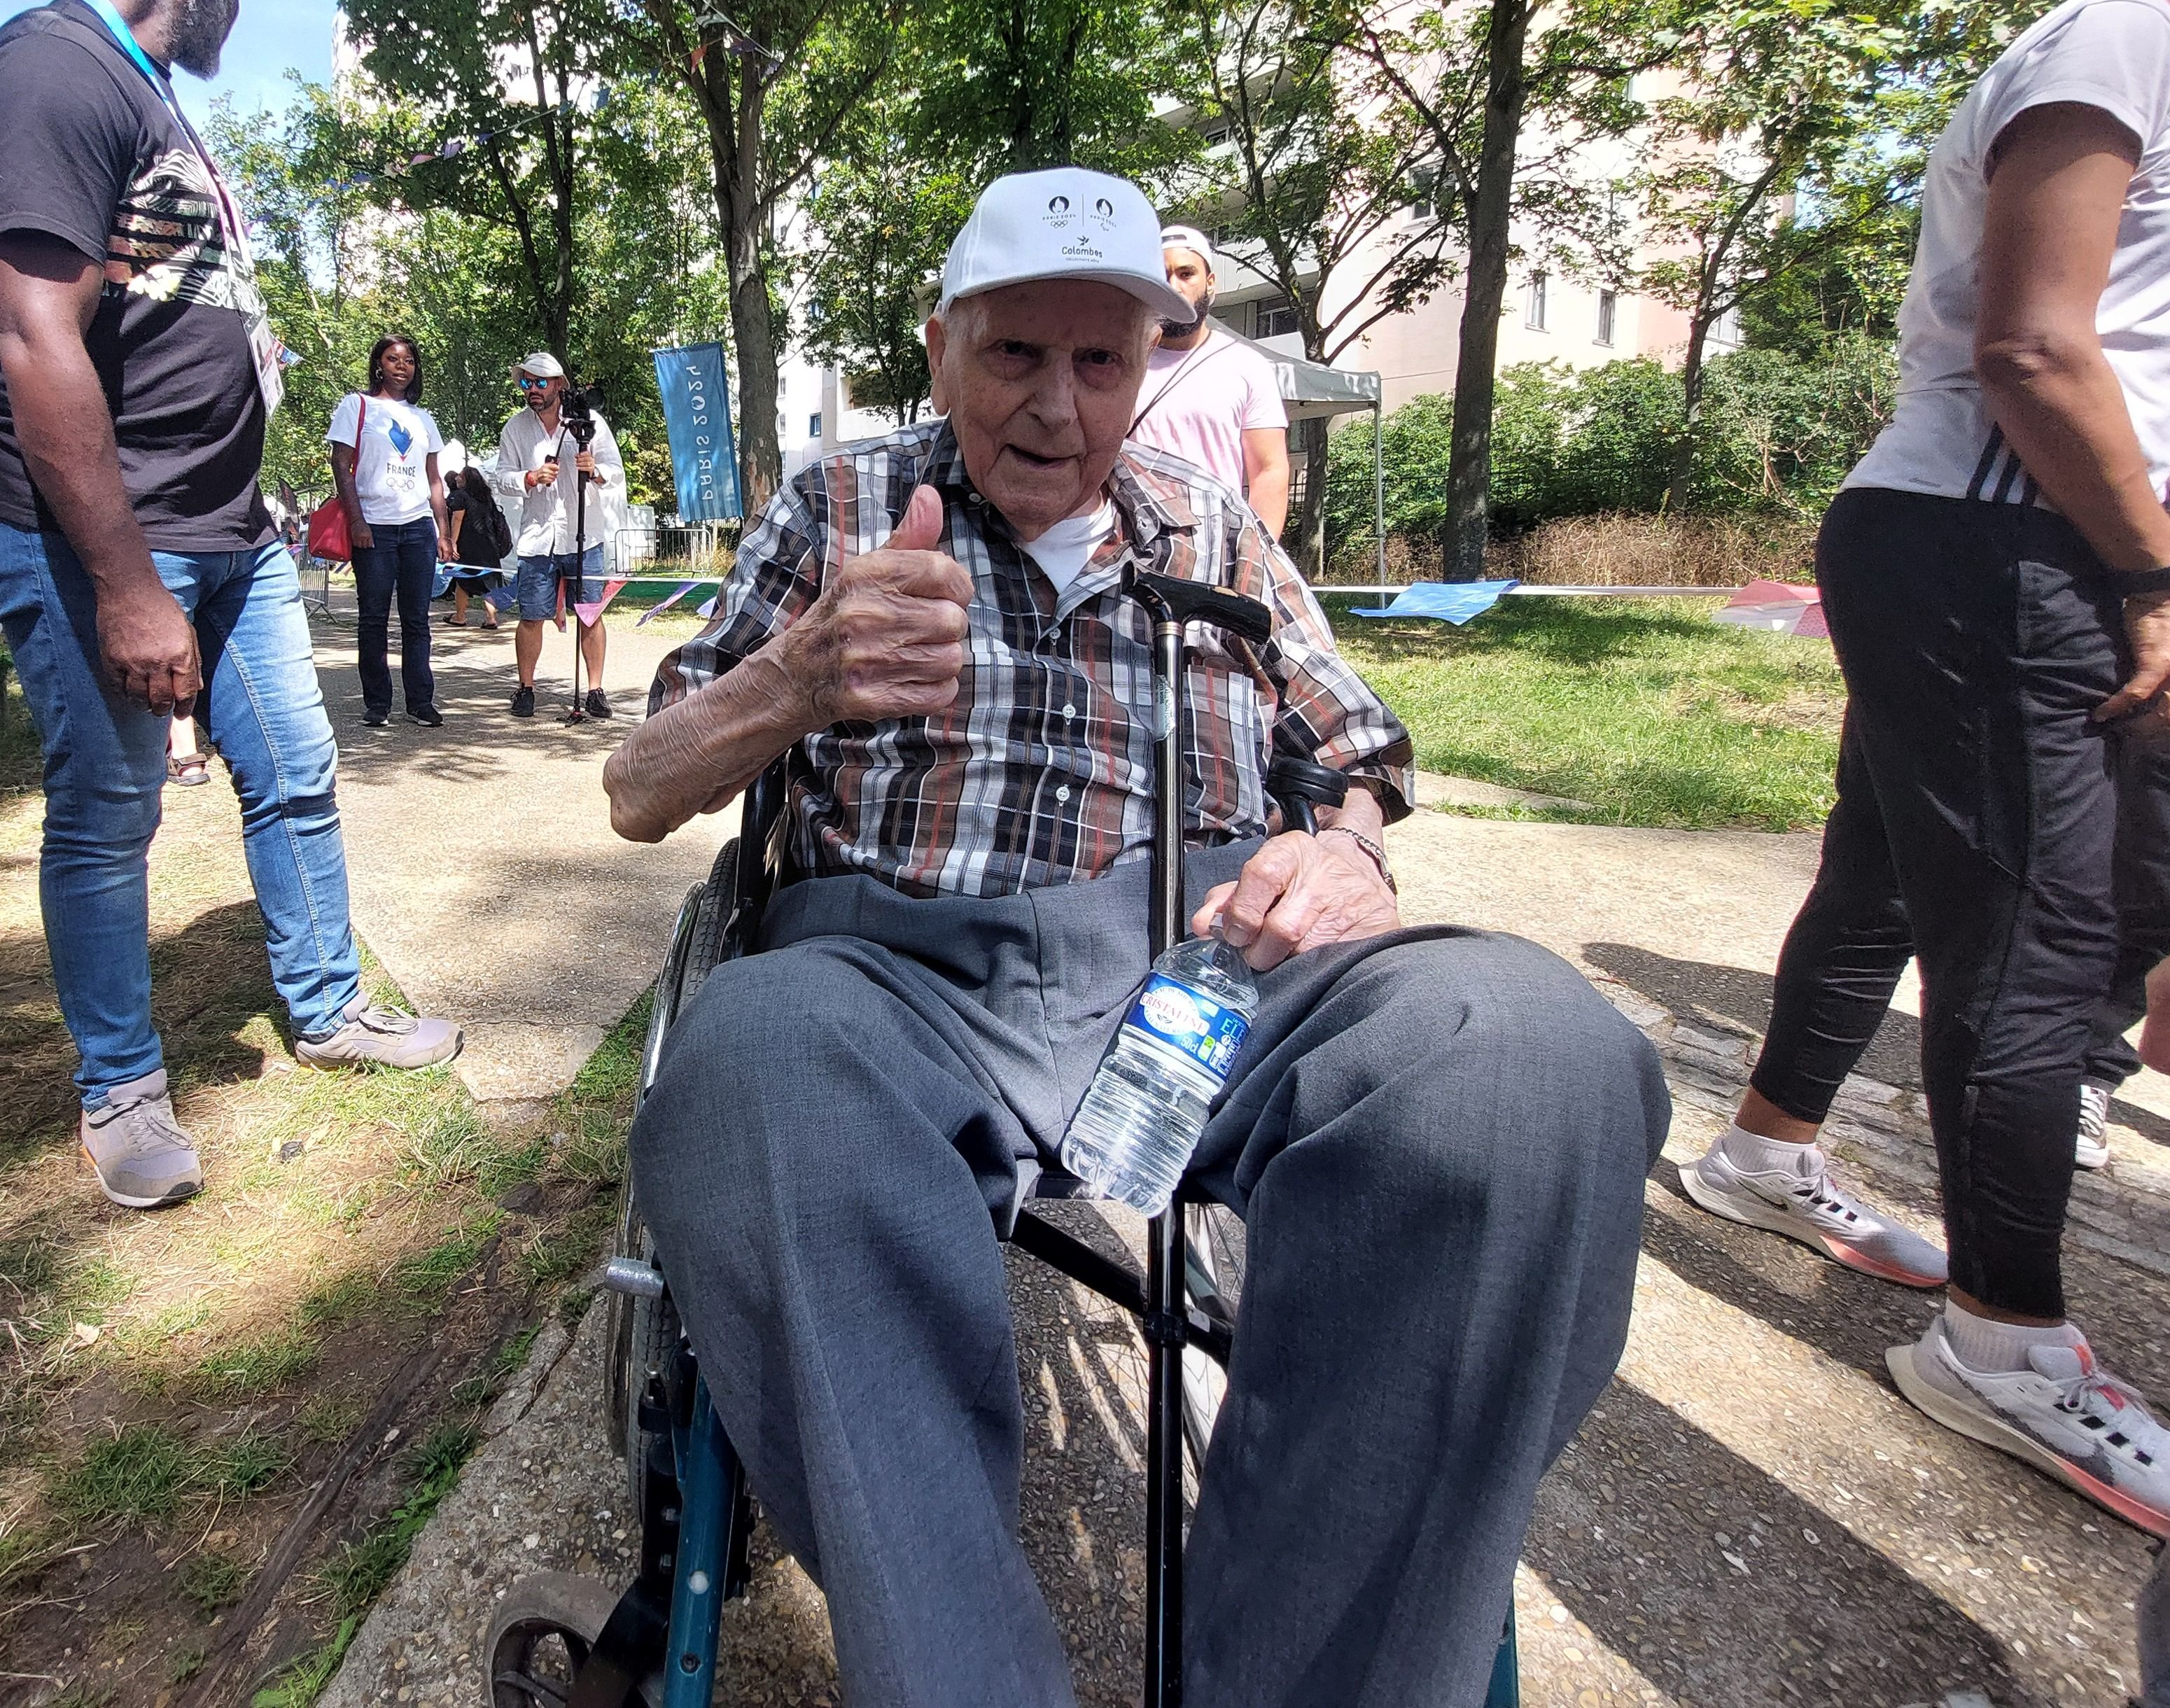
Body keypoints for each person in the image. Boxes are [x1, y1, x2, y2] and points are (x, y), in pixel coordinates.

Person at [603, 167, 1667, 1707]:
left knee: (1529, 1059)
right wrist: (794, 681)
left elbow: (1356, 746)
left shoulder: (1211, 524)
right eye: (1011, 356)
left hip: (1203, 969)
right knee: (749, 1067)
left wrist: (1340, 846)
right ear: (937, 348)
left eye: (1097, 360)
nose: (1054, 405)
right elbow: (642, 790)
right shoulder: (832, 506)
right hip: (887, 981)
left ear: (1146, 364)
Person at [1679, 0, 2170, 1541]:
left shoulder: (2120, 46)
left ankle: (1758, 1143)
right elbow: (2040, 346)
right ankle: (2005, 1334)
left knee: (1891, 875)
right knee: (2044, 943)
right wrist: (2154, 569)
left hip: (1961, 533)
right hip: (2006, 540)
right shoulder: (2127, 35)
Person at [0, 0, 462, 1214]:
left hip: (230, 528)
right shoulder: (50, 67)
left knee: (295, 769)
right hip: (107, 534)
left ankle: (326, 1006)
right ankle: (119, 1084)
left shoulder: (149, 89)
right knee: (111, 810)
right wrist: (123, 585)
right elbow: (31, 336)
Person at [1128, 223, 1292, 533]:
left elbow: (1268, 470)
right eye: (1162, 276)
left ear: (1210, 283)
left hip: (1214, 547)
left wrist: (1257, 559)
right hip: (1132, 546)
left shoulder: (1247, 366)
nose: (1174, 287)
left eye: (1186, 273)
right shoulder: (1118, 362)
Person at [328, 333, 447, 727]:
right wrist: (358, 521)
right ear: (379, 364)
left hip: (417, 528)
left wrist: (442, 529)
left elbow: (434, 479)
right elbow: (341, 467)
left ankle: (420, 702)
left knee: (417, 620)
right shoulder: (356, 406)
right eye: (393, 359)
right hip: (373, 529)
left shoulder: (423, 417)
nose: (402, 366)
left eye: (409, 360)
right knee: (374, 618)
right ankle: (377, 702)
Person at [495, 352, 623, 718]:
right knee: (532, 615)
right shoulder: (515, 428)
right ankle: (526, 688)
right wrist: (530, 478)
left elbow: (615, 470)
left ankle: (595, 690)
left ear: (559, 385)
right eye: (526, 383)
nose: (532, 389)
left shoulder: (589, 421)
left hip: (585, 535)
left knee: (590, 615)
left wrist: (595, 470)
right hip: (537, 537)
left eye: (540, 382)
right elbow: (502, 477)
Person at [446, 461, 510, 629]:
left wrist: (453, 543)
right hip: (489, 545)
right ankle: (491, 619)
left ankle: (460, 617)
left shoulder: (461, 496)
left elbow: (457, 519)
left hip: (468, 545)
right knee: (488, 582)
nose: (458, 477)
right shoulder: (486, 497)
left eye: (461, 475)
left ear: (467, 479)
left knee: (462, 580)